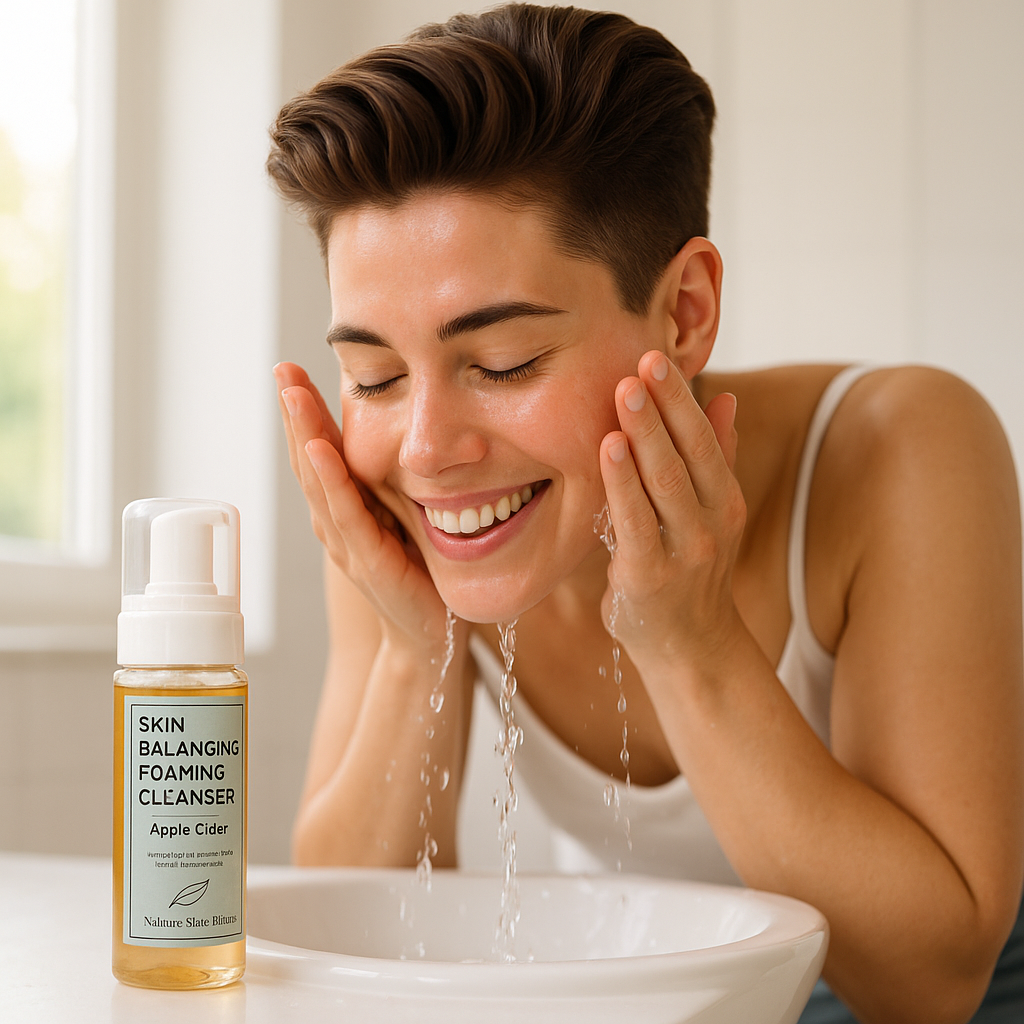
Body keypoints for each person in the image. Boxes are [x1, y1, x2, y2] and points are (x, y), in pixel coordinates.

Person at [266, 5, 1024, 1021]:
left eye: (503, 362)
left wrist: (688, 637)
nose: (425, 447)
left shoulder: (900, 447)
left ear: (684, 311)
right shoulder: (405, 501)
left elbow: (928, 985)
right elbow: (353, 932)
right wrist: (419, 647)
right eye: (373, 373)